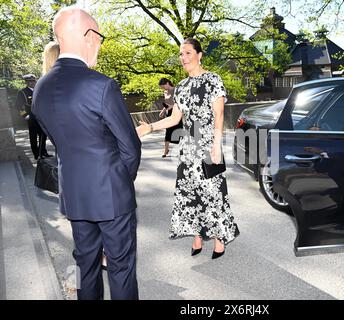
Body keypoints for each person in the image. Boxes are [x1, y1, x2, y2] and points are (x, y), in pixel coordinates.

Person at [32, 7, 141, 300]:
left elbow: (57, 140)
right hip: (112, 198)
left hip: (74, 197)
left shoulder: (40, 89)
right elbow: (130, 147)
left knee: (84, 266)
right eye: (100, 37)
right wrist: (119, 183)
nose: (100, 45)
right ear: (88, 36)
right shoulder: (101, 85)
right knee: (121, 268)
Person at [136, 38, 239, 259]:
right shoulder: (181, 87)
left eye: (188, 53)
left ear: (199, 55)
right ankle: (197, 237)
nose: (183, 58)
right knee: (190, 194)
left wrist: (217, 145)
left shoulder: (213, 80)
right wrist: (150, 127)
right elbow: (175, 119)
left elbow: (219, 115)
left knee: (214, 194)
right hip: (188, 148)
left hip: (209, 145)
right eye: (181, 54)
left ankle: (219, 239)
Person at [15, 74, 51, 160]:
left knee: (43, 135)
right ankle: (36, 154)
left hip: (41, 116)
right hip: (31, 117)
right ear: (26, 82)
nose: (32, 83)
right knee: (33, 136)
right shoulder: (22, 92)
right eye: (29, 81)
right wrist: (25, 115)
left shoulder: (39, 90)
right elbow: (18, 106)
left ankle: (43, 152)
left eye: (33, 81)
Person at [158, 78, 183, 157]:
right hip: (169, 114)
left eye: (163, 86)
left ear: (168, 83)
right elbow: (166, 104)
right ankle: (165, 151)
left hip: (177, 113)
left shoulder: (176, 90)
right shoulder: (165, 92)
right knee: (168, 132)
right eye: (162, 87)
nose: (163, 88)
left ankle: (182, 150)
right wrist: (163, 111)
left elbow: (181, 103)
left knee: (179, 132)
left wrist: (171, 106)